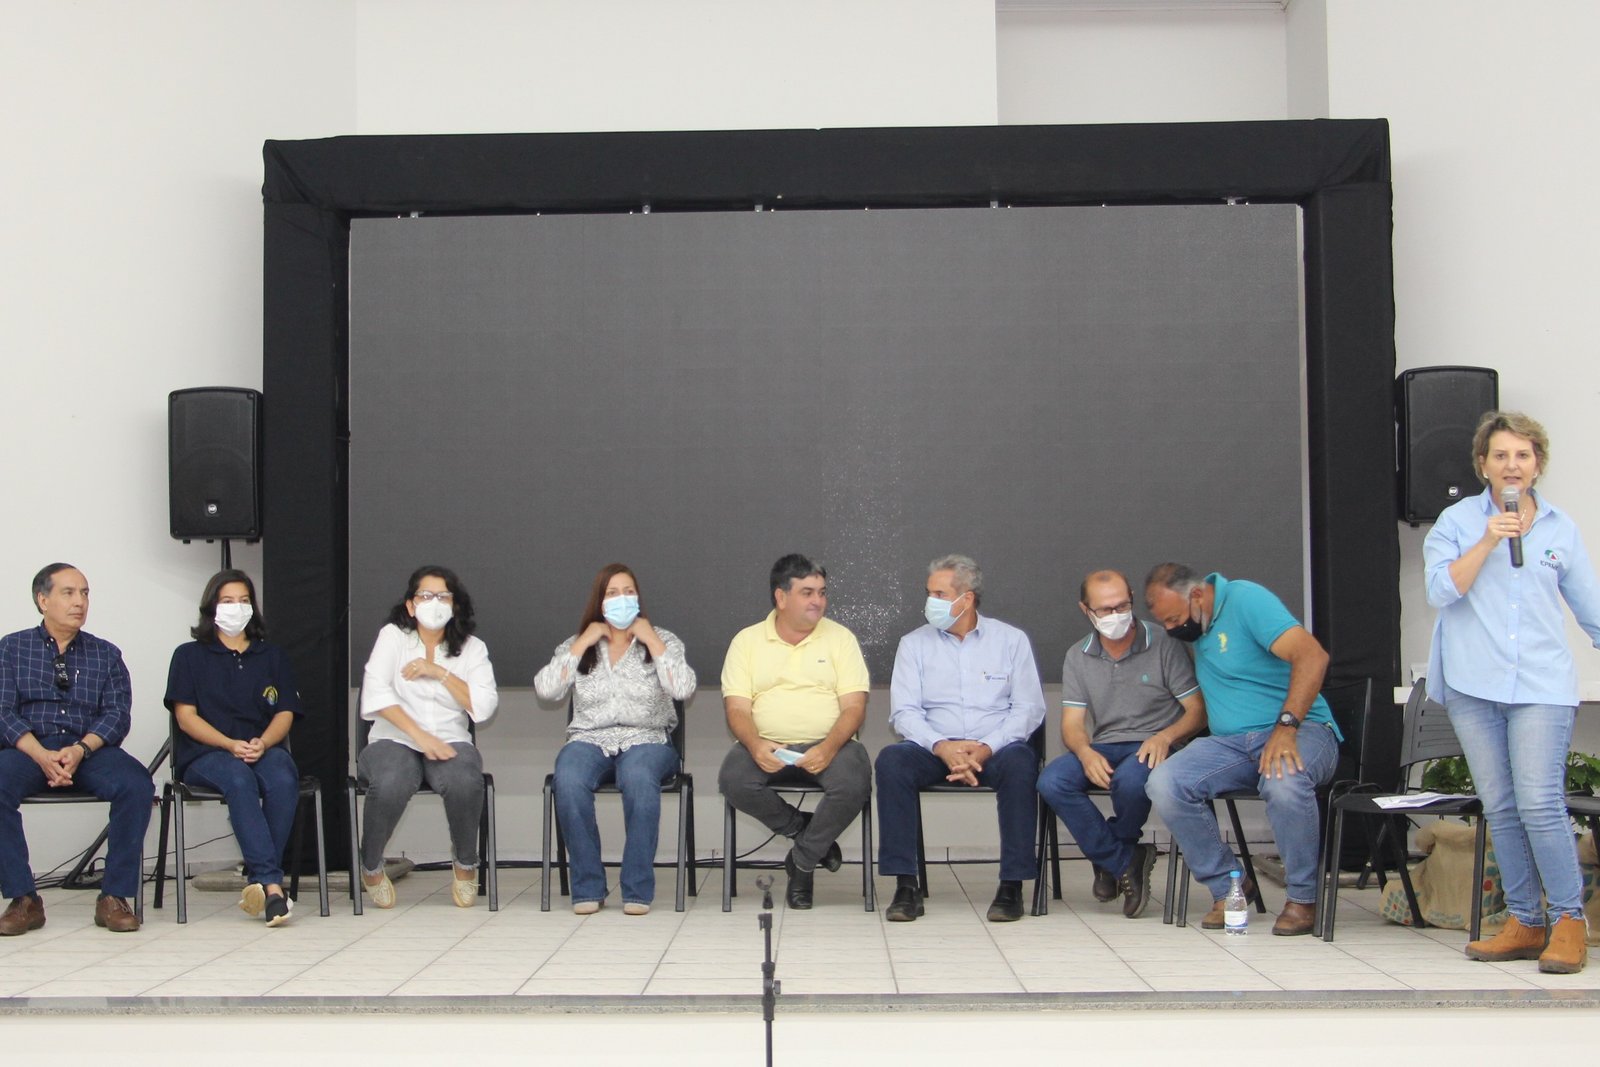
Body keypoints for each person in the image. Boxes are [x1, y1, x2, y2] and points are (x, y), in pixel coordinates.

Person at [1424, 411, 1600, 973]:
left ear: (1538, 464)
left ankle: (1568, 920)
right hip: (1474, 686)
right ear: (1483, 465)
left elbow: (1592, 609)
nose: (1512, 465)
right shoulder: (1456, 522)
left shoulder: (1560, 528)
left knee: (1539, 803)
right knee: (1500, 806)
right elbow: (1440, 590)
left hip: (1542, 685)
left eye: (1522, 455)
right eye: (1500, 455)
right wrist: (1487, 541)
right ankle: (1524, 920)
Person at [1143, 561, 1338, 936]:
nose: (1171, 629)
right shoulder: (1199, 625)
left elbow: (1313, 656)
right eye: (1164, 622)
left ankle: (1302, 898)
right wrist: (1167, 735)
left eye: (1174, 619)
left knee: (1283, 781)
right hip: (1230, 745)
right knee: (1165, 783)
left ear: (1197, 595)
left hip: (1302, 729)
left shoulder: (1247, 600)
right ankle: (1229, 886)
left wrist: (1286, 727)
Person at [876, 554, 1045, 923]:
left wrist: (986, 748)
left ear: (966, 598)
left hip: (995, 748)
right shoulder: (914, 644)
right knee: (892, 762)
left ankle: (1012, 885)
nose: (930, 602)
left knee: (1022, 762)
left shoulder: (1010, 641)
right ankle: (906, 885)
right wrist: (942, 746)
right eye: (929, 593)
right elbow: (904, 713)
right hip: (934, 749)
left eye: (939, 594)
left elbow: (1029, 709)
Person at [1036, 569, 1206, 919]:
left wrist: (1166, 736)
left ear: (1131, 599)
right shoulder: (1078, 655)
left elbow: (1198, 711)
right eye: (1105, 609)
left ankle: (1112, 859)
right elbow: (1072, 725)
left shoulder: (1164, 643)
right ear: (1086, 610)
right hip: (1105, 743)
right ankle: (1125, 860)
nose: (1115, 615)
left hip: (1157, 743)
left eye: (1122, 606)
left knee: (1129, 780)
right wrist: (1084, 752)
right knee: (1052, 781)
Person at [535, 563, 697, 915]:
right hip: (590, 739)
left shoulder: (664, 640)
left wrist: (652, 641)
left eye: (628, 592)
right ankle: (588, 887)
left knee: (638, 776)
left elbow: (684, 688)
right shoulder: (577, 644)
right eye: (612, 593)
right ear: (600, 601)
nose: (621, 599)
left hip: (647, 739)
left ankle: (636, 889)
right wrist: (582, 642)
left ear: (638, 598)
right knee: (569, 777)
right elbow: (546, 689)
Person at [0, 564, 152, 935]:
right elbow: (3, 711)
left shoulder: (106, 653)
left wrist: (81, 749)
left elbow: (117, 715)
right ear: (42, 600)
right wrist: (40, 754)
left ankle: (113, 896)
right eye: (68, 593)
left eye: (84, 593)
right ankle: (23, 899)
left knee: (137, 784)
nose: (79, 602)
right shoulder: (11, 648)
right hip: (29, 749)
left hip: (89, 750)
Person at [719, 554, 871, 909]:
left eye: (822, 592)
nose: (818, 601)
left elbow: (854, 707)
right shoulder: (747, 641)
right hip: (767, 744)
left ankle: (802, 863)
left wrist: (829, 748)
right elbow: (737, 709)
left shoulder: (841, 639)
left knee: (854, 783)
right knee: (734, 780)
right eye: (807, 593)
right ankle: (804, 830)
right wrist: (755, 745)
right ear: (781, 597)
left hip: (831, 744)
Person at [165, 569, 303, 927]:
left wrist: (264, 742)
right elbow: (186, 718)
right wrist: (228, 744)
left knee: (283, 777)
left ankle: (262, 880)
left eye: (243, 601)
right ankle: (271, 886)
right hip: (207, 754)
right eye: (227, 601)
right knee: (239, 780)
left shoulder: (272, 656)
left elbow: (285, 712)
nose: (236, 607)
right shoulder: (188, 656)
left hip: (261, 749)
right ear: (212, 606)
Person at [356, 566, 498, 909]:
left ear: (454, 605)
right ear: (410, 605)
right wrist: (420, 737)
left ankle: (465, 864)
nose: (434, 602)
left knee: (464, 780)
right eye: (425, 595)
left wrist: (440, 672)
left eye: (443, 596)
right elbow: (375, 694)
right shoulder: (393, 637)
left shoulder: (473, 648)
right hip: (394, 738)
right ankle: (371, 866)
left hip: (449, 737)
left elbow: (484, 706)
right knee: (392, 780)